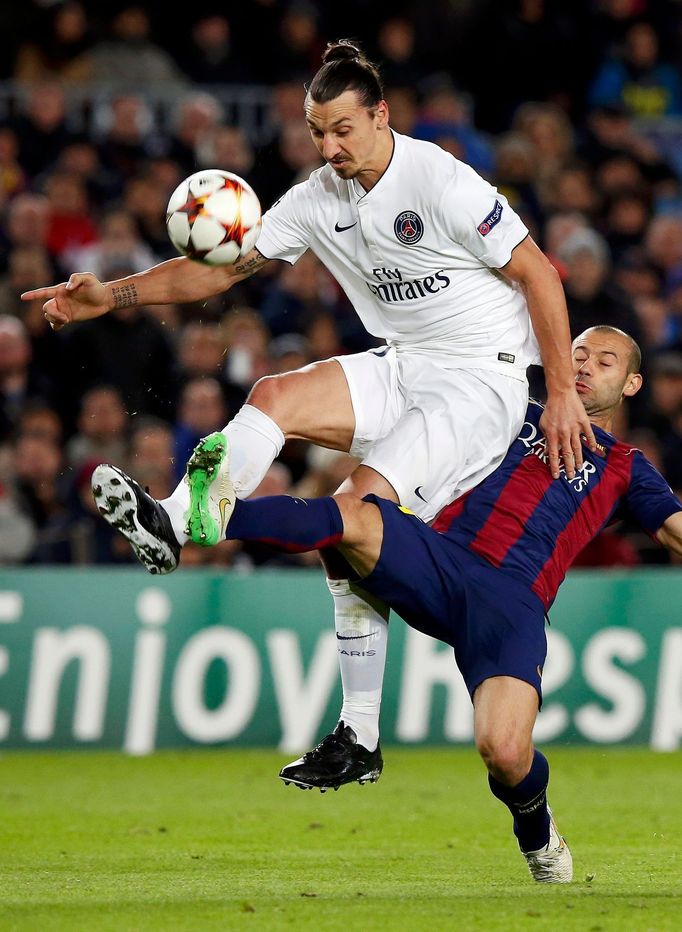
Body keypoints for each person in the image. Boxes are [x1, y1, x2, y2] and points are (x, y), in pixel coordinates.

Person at [23, 40, 594, 787]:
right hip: (407, 361)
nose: (328, 147)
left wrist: (557, 391)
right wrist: (111, 296)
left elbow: (538, 275)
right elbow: (213, 271)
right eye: (316, 131)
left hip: (480, 383)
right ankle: (179, 516)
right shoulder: (317, 196)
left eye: (342, 130)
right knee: (273, 397)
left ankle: (357, 729)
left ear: (381, 116)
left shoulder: (440, 180)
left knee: (352, 512)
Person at [91, 325, 682, 884]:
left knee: (503, 752)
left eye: (604, 362)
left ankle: (537, 831)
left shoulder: (627, 467)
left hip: (513, 606)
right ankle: (185, 523)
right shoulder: (509, 407)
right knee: (351, 515)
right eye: (578, 353)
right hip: (439, 561)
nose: (584, 366)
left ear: (630, 384)